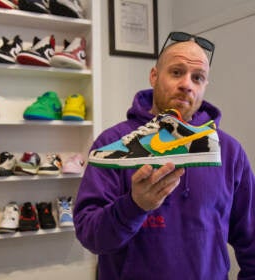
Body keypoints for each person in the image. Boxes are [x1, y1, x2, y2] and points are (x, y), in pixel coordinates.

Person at [73, 31, 255, 279]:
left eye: (197, 77)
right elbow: (90, 235)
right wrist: (134, 206)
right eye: (177, 72)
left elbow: (251, 240)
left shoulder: (230, 152)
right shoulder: (112, 143)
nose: (187, 84)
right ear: (154, 76)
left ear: (204, 86)